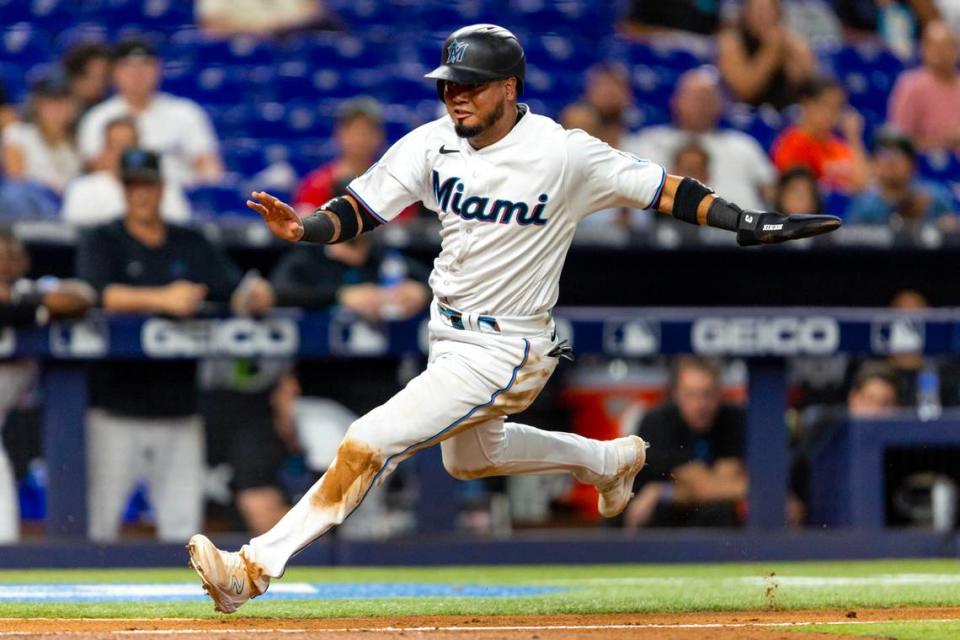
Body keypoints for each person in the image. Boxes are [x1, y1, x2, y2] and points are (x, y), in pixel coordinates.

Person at [186, 24, 840, 613]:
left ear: (508, 87)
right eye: (448, 85)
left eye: (470, 86)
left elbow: (663, 189)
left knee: (368, 440)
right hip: (448, 336)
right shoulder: (433, 142)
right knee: (468, 460)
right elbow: (360, 207)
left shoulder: (563, 154)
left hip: (509, 348)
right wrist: (307, 227)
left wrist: (745, 221)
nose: (455, 98)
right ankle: (606, 459)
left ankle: (254, 568)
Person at [75, 148, 273, 542]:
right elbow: (95, 294)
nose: (141, 195)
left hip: (180, 406)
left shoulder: (189, 241)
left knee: (183, 530)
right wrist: (162, 298)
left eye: (147, 185)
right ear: (123, 189)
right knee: (100, 526)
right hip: (115, 407)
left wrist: (256, 294)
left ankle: (182, 607)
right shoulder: (103, 238)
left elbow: (236, 289)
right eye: (133, 187)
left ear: (161, 188)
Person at [0, 231, 94, 542]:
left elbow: (81, 297)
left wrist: (20, 304)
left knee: (5, 538)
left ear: (23, 262)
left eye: (10, 258)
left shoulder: (27, 291)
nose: (4, 265)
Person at [625, 67, 776, 211]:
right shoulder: (648, 142)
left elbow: (771, 191)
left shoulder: (743, 145)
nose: (701, 105)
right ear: (675, 101)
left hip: (737, 232)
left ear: (720, 104)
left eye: (707, 98)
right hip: (661, 233)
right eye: (694, 98)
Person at [77, 39, 223, 186]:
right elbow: (95, 169)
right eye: (128, 66)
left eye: (145, 65)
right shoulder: (98, 118)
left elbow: (208, 165)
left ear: (158, 69)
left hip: (179, 198)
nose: (137, 74)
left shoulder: (185, 112)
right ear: (115, 72)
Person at [621, 357, 746, 529]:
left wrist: (660, 492)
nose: (700, 405)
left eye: (707, 394)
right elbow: (705, 488)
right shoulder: (657, 422)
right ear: (676, 394)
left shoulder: (733, 419)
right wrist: (766, 492)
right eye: (690, 395)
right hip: (651, 520)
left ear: (720, 394)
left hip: (706, 517)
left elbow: (718, 488)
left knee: (720, 510)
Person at [62, 116, 191, 224]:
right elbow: (74, 237)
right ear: (104, 151)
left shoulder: (164, 187)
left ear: (139, 147)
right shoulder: (83, 189)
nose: (121, 153)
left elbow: (178, 232)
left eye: (127, 146)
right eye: (114, 146)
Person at [770, 77, 871, 194]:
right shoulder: (792, 143)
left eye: (838, 107)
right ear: (807, 104)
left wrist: (854, 138)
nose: (832, 113)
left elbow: (863, 183)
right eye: (826, 105)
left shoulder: (838, 145)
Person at [716, 0, 816, 110]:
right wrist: (770, 52)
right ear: (746, 14)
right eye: (757, 11)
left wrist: (790, 57)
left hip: (786, 113)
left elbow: (805, 85)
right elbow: (745, 90)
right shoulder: (731, 41)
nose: (763, 16)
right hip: (746, 115)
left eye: (768, 11)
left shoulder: (789, 42)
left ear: (778, 14)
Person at [845, 128, 956, 228]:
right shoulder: (865, 205)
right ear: (873, 164)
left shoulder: (933, 197)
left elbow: (953, 226)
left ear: (912, 164)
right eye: (883, 155)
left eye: (898, 155)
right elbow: (849, 240)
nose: (890, 161)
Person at [293, 98, 386, 215]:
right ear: (339, 134)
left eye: (366, 132)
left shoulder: (390, 183)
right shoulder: (317, 184)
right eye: (353, 131)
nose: (360, 140)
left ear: (379, 136)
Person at [1, 73, 82, 196]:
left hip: (64, 208)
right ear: (37, 105)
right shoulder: (18, 134)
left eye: (63, 101)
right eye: (51, 102)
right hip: (32, 204)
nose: (58, 109)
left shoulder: (75, 146)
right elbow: (16, 182)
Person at [888, 20, 960, 152]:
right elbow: (900, 141)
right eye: (936, 47)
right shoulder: (910, 85)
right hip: (924, 165)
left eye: (948, 46)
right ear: (924, 49)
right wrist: (945, 140)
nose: (942, 53)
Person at [62, 42, 112, 120]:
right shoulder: (58, 110)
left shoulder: (108, 108)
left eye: (104, 76)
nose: (100, 83)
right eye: (93, 76)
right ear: (75, 77)